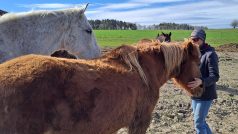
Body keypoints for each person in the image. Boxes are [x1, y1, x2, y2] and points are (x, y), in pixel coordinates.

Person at [187, 28, 219, 134]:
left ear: (202, 39)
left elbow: (215, 76)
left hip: (206, 94)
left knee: (198, 123)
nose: (193, 42)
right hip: (195, 93)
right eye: (191, 39)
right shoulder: (193, 54)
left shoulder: (210, 54)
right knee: (201, 122)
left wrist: (201, 81)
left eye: (196, 39)